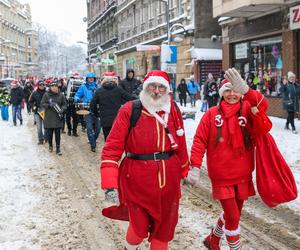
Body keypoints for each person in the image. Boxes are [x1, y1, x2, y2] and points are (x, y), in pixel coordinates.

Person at [100, 70, 189, 250]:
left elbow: (180, 142)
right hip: (137, 179)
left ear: (167, 90)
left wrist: (186, 170)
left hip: (169, 181)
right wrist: (110, 182)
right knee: (139, 228)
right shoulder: (130, 109)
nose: (156, 91)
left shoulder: (174, 110)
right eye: (152, 86)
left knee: (164, 230)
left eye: (161, 87)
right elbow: (112, 148)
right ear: (145, 88)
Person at [189, 68, 269, 250]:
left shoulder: (248, 110)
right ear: (221, 92)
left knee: (233, 214)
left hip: (243, 174)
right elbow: (199, 140)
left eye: (235, 90)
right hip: (222, 176)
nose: (232, 94)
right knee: (233, 218)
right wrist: (195, 166)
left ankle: (213, 239)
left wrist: (247, 91)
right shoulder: (210, 115)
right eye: (227, 90)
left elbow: (264, 106)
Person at [90, 72, 133, 141]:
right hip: (117, 119)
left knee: (107, 140)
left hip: (104, 119)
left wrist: (97, 114)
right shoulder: (118, 89)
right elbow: (130, 98)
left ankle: (108, 151)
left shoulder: (99, 91)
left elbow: (92, 105)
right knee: (117, 139)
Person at [74, 72, 100, 152]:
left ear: (94, 79)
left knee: (98, 128)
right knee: (89, 128)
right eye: (89, 78)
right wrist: (77, 99)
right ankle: (93, 145)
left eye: (92, 78)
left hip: (97, 110)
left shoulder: (98, 86)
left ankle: (93, 139)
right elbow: (77, 95)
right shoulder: (83, 86)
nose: (91, 79)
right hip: (87, 109)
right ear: (87, 79)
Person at [41, 81, 67, 155]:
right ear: (50, 88)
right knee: (49, 134)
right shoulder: (46, 95)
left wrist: (62, 109)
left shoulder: (61, 95)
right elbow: (42, 104)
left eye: (56, 87)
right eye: (53, 87)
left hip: (58, 117)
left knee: (58, 134)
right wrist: (49, 105)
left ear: (57, 87)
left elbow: (65, 104)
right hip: (49, 117)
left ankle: (58, 148)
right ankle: (50, 146)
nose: (54, 88)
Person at [29, 80, 47, 144]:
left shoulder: (47, 92)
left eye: (43, 85)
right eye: (40, 85)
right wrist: (34, 106)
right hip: (37, 112)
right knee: (39, 127)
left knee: (46, 127)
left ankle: (45, 137)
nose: (42, 86)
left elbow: (50, 101)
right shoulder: (34, 93)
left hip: (45, 111)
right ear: (38, 85)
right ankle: (40, 140)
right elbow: (30, 101)